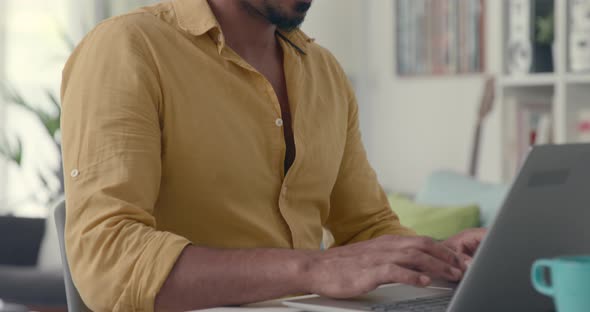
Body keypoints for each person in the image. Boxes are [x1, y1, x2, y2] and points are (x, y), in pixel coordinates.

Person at [60, 0, 486, 311]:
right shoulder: (128, 48)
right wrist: (311, 269)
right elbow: (108, 256)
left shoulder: (325, 72)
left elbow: (366, 227)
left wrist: (437, 258)